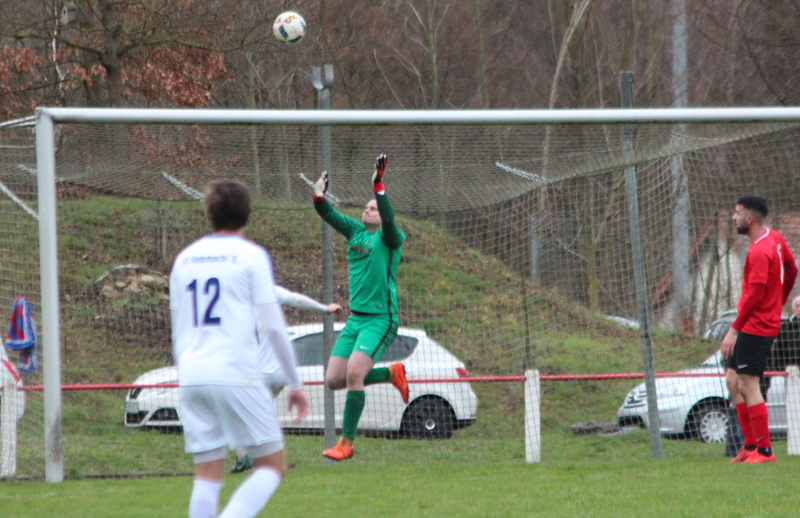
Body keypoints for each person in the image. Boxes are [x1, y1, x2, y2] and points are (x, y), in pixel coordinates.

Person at [170, 179, 309, 518]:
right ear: (248, 214)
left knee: (207, 474)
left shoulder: (184, 260)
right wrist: (295, 383)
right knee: (272, 466)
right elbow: (274, 326)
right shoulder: (251, 256)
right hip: (236, 373)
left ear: (209, 214)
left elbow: (178, 327)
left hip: (192, 376)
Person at [312, 154, 408, 461]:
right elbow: (327, 213)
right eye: (366, 206)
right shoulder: (354, 232)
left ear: (381, 215)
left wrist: (378, 185)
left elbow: (390, 219)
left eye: (373, 207)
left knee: (354, 373)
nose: (368, 209)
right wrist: (318, 196)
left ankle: (347, 444)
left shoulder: (391, 237)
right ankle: (391, 373)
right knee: (333, 380)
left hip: (381, 319)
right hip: (356, 320)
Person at [230, 287, 344, 473]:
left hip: (257, 374)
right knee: (264, 408)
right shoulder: (269, 290)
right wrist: (325, 309)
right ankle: (268, 455)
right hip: (279, 374)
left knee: (232, 410)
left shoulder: (235, 300)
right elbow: (297, 299)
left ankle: (247, 456)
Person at [721, 195, 797, 464]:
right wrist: (781, 300)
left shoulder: (759, 251)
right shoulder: (774, 238)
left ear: (749, 219)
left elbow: (754, 296)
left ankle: (764, 451)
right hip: (749, 323)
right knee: (733, 381)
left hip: (756, 326)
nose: (734, 217)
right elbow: (792, 268)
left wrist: (734, 330)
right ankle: (749, 446)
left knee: (749, 384)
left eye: (737, 212)